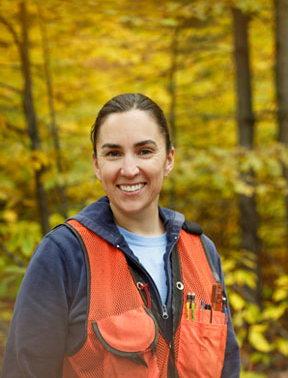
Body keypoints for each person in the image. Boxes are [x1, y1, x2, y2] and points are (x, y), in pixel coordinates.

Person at [2, 93, 241, 377]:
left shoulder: (202, 251)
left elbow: (227, 366)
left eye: (144, 151)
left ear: (169, 159)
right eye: (113, 153)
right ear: (96, 164)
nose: (129, 169)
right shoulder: (65, 253)